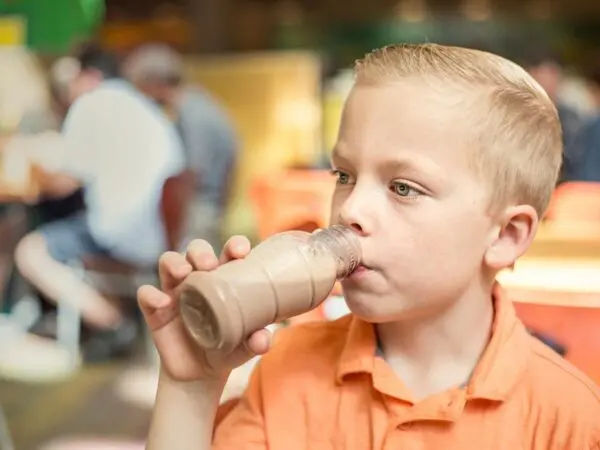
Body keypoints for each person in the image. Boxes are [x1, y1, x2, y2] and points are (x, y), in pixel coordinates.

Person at [138, 44, 600, 449]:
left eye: (403, 187)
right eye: (344, 175)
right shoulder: (288, 363)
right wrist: (191, 387)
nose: (350, 208)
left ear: (505, 235)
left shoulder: (567, 418)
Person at [14, 43, 184, 361]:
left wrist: (35, 165)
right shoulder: (141, 105)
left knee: (31, 250)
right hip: (156, 233)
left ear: (89, 76)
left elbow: (64, 181)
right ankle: (117, 319)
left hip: (121, 234)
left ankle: (111, 322)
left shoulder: (92, 104)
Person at [124, 44, 238, 252]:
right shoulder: (197, 103)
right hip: (204, 208)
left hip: (200, 211)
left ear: (155, 83)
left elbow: (192, 172)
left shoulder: (193, 113)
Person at [522, 47, 584, 183]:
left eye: (553, 73)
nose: (549, 81)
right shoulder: (519, 115)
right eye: (544, 74)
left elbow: (578, 159)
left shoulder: (571, 117)